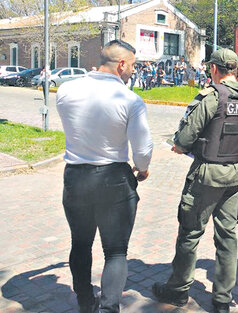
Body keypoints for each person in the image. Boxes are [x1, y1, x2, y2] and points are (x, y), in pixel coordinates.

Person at [152, 48, 238, 313]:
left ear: (214, 69)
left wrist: (178, 146)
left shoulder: (211, 97)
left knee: (190, 233)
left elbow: (186, 137)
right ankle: (223, 299)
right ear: (235, 70)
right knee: (227, 237)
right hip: (234, 174)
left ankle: (177, 291)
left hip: (206, 175)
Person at [56, 40, 153, 313]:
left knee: (81, 243)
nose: (133, 71)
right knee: (115, 251)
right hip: (113, 178)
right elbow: (143, 150)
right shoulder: (129, 99)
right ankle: (109, 308)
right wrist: (143, 168)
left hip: (76, 176)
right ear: (121, 64)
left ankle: (85, 301)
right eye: (132, 66)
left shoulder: (66, 90)